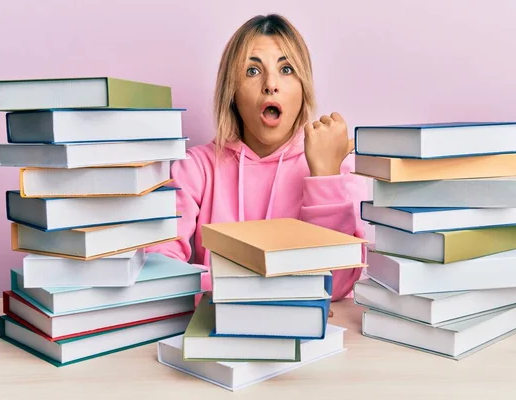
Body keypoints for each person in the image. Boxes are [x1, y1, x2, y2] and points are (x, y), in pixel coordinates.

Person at [146, 14, 368, 307]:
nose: (270, 84)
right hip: (221, 337)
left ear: (304, 88)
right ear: (232, 92)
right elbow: (158, 268)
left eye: (286, 69)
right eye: (252, 71)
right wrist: (271, 287)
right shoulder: (195, 168)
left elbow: (336, 286)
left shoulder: (338, 168)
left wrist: (324, 175)